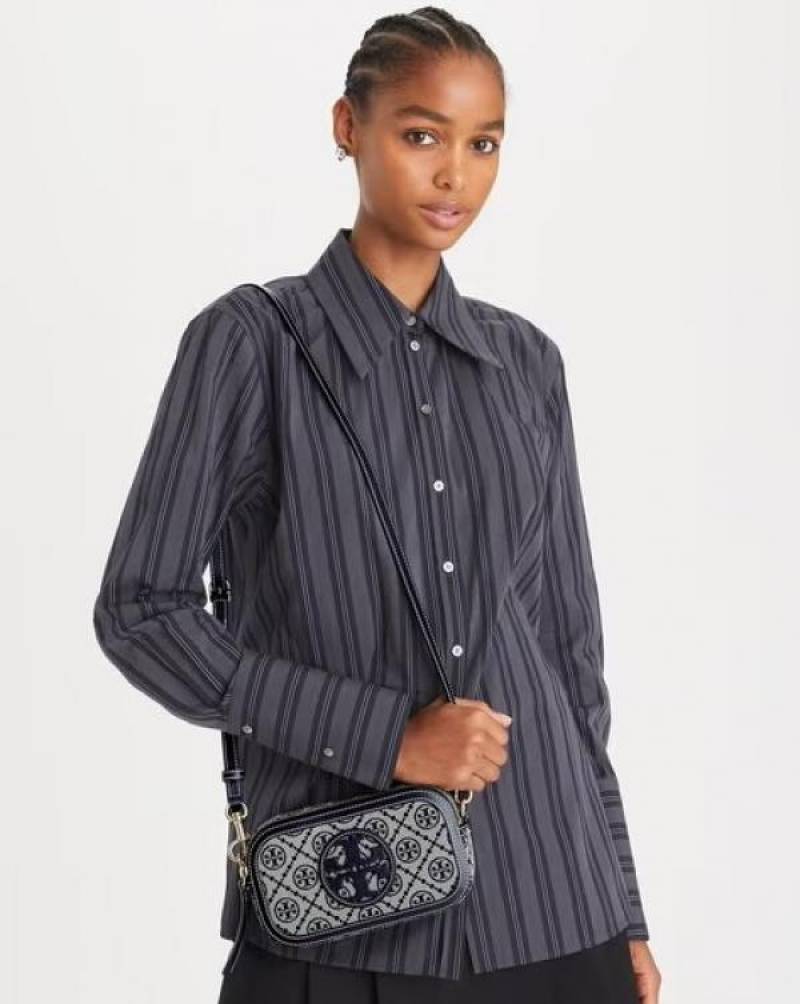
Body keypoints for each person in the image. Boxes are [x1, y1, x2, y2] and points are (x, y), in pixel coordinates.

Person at [93, 5, 662, 1003]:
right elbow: (142, 612)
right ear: (347, 127)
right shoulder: (251, 344)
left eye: (483, 144)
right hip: (344, 910)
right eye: (421, 135)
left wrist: (625, 907)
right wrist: (386, 734)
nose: (454, 176)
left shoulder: (526, 364)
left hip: (556, 905)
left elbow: (570, 661)